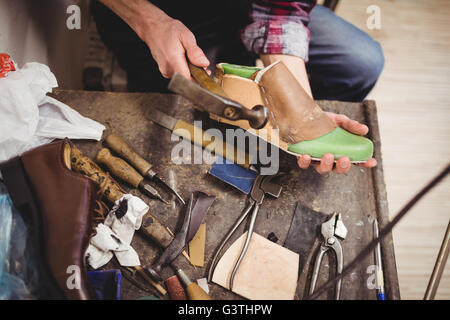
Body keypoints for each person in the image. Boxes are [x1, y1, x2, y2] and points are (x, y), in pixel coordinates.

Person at [91, 0, 382, 174]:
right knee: (192, 123)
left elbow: (278, 12)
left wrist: (302, 111)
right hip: (156, 10)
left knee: (362, 62)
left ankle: (275, 124)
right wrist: (150, 23)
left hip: (242, 7)